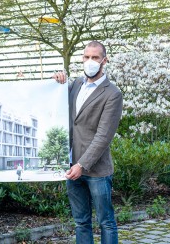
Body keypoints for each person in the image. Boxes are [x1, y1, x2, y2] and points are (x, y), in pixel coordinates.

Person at [53, 41, 123, 244]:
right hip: (71, 166)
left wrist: (82, 165)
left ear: (104, 60)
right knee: (81, 222)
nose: (90, 61)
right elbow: (54, 106)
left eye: (95, 57)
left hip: (96, 170)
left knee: (106, 221)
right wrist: (56, 82)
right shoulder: (75, 85)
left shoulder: (112, 94)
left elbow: (103, 136)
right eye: (86, 57)